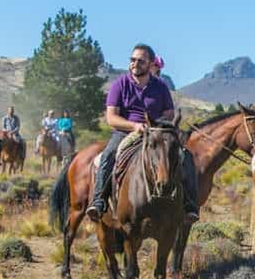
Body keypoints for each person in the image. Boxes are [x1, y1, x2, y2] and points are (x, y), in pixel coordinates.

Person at [85, 43, 198, 223]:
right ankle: (98, 201)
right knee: (109, 155)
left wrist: (157, 125)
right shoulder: (119, 84)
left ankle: (189, 204)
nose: (135, 64)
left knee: (185, 156)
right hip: (126, 132)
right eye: (132, 60)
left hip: (156, 132)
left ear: (150, 63)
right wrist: (134, 126)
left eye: (140, 61)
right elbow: (111, 117)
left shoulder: (160, 86)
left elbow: (169, 113)